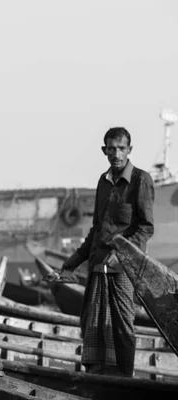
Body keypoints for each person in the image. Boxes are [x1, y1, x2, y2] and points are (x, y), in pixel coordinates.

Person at [48, 127, 154, 376]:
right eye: (111, 148)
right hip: (98, 265)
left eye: (121, 148)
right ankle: (96, 378)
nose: (116, 154)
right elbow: (97, 229)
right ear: (104, 150)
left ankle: (124, 380)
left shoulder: (141, 180)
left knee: (122, 327)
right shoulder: (103, 182)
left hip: (123, 269)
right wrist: (70, 265)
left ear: (130, 150)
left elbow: (145, 228)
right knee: (93, 324)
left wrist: (124, 253)